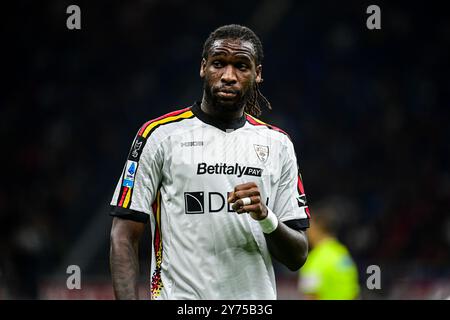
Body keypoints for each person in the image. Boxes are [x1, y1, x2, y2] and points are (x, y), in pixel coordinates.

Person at [109, 24, 310, 300]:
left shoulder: (278, 144)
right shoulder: (159, 136)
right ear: (204, 67)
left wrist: (266, 216)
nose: (228, 76)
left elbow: (297, 256)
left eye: (241, 65)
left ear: (258, 74)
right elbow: (123, 236)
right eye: (219, 64)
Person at [298, 200, 360, 300]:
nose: (307, 232)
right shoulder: (343, 254)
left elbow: (311, 296)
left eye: (309, 227)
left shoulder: (315, 260)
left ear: (317, 229)